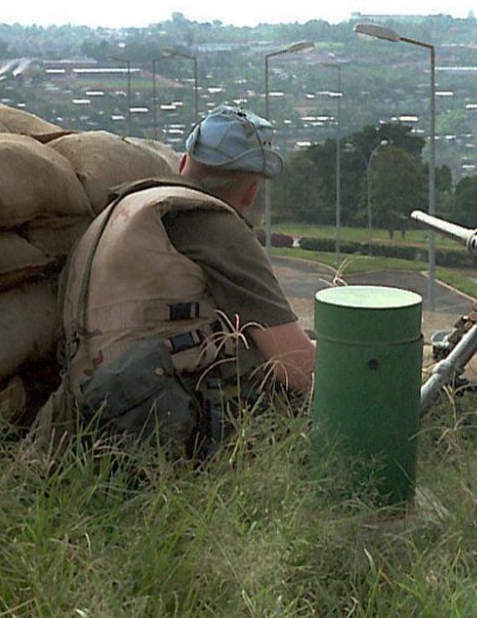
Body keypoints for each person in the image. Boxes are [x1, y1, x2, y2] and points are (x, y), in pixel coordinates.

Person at [36, 105, 315, 453]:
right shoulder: (214, 224)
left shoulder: (117, 211)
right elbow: (296, 368)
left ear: (183, 165)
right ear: (251, 192)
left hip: (84, 415)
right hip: (153, 421)